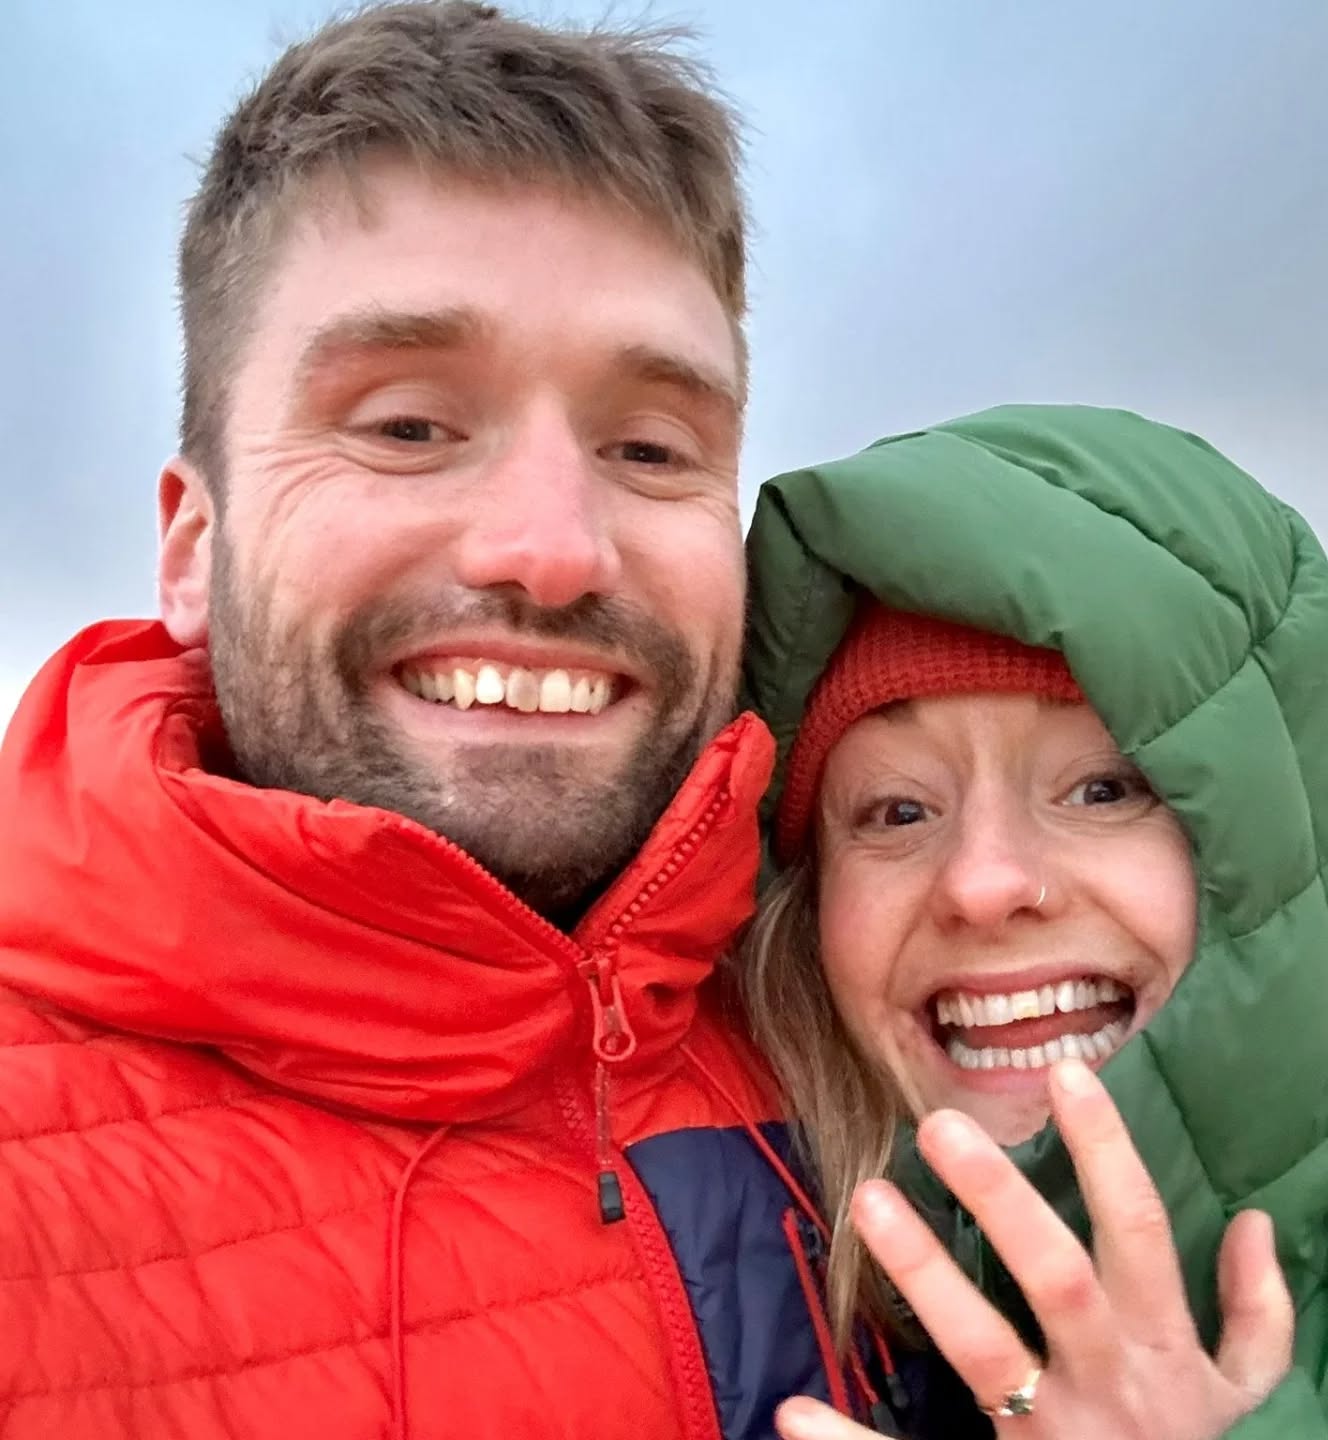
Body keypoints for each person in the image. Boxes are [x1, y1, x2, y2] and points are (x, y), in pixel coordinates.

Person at [0, 5, 915, 1436]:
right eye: (408, 424)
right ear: (192, 546)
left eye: (650, 448)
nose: (552, 549)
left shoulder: (867, 1034)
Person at [737, 403, 1328, 1438]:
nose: (982, 883)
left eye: (1104, 790)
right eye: (895, 810)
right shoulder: (751, 1293)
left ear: (1274, 849)